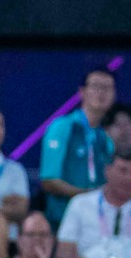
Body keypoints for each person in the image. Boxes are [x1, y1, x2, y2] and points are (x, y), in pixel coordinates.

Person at [39, 65, 116, 223]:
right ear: (82, 92)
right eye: (96, 86)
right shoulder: (63, 126)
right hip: (63, 220)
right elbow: (49, 181)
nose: (101, 93)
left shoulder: (106, 136)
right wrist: (87, 196)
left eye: (107, 88)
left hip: (98, 222)